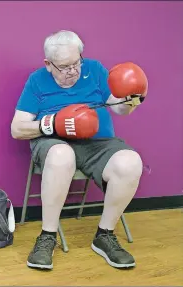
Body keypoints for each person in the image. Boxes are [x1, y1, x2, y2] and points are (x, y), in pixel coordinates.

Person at [11, 30, 148, 270]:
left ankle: (104, 235)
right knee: (62, 155)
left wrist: (132, 100)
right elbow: (17, 129)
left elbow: (120, 109)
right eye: (64, 67)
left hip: (98, 144)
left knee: (131, 161)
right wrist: (54, 123)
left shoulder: (94, 70)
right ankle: (47, 237)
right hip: (55, 143)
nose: (73, 71)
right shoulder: (36, 80)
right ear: (48, 64)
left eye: (76, 63)